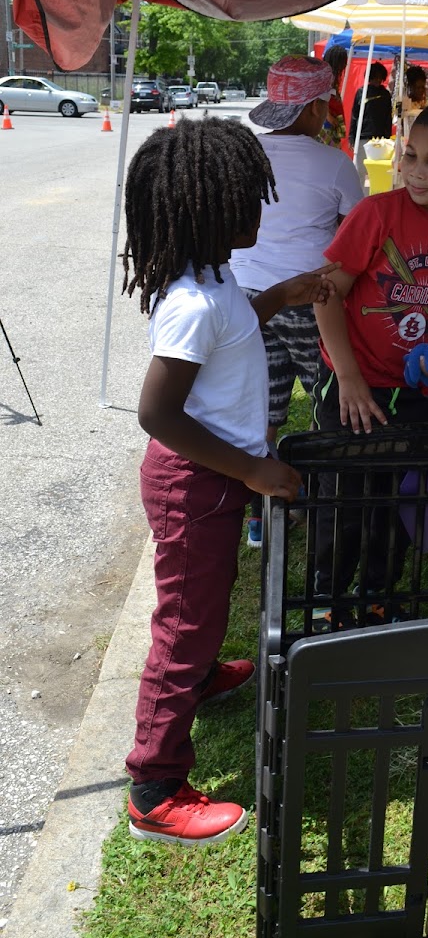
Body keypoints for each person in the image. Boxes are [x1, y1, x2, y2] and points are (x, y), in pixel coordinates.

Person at [121, 116, 336, 846]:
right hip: (197, 480)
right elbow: (158, 413)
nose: (259, 210)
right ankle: (154, 786)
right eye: (245, 199)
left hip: (212, 476)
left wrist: (281, 296)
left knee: (204, 606)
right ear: (203, 208)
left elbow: (233, 324)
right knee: (183, 623)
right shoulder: (193, 303)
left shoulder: (215, 280)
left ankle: (206, 674)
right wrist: (253, 469)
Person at [312, 99, 428, 629]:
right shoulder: (376, 214)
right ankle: (325, 599)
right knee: (342, 497)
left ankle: (375, 591)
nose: (415, 171)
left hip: (412, 392)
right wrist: (346, 378)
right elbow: (326, 295)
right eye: (411, 155)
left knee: (394, 497)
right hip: (352, 385)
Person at [231, 54, 364, 548]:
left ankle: (260, 514)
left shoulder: (247, 154)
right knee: (322, 397)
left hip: (249, 297)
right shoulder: (334, 164)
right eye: (326, 104)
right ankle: (311, 497)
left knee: (262, 407)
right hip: (312, 298)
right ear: (313, 109)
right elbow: (356, 235)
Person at [348, 61, 393, 184]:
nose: (378, 80)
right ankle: (359, 199)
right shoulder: (361, 92)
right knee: (359, 172)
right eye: (375, 77)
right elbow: (354, 116)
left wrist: (387, 139)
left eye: (380, 78)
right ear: (369, 77)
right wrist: (351, 137)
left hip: (380, 140)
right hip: (362, 137)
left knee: (378, 172)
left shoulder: (385, 94)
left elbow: (387, 118)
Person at [319, 44, 348, 148]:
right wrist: (328, 116)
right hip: (326, 121)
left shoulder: (331, 76)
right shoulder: (326, 76)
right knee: (331, 150)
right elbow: (320, 96)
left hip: (332, 119)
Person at [400, 64, 428, 143]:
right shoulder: (405, 101)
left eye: (423, 87)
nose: (421, 90)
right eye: (418, 87)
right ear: (410, 86)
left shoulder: (426, 102)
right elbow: (402, 123)